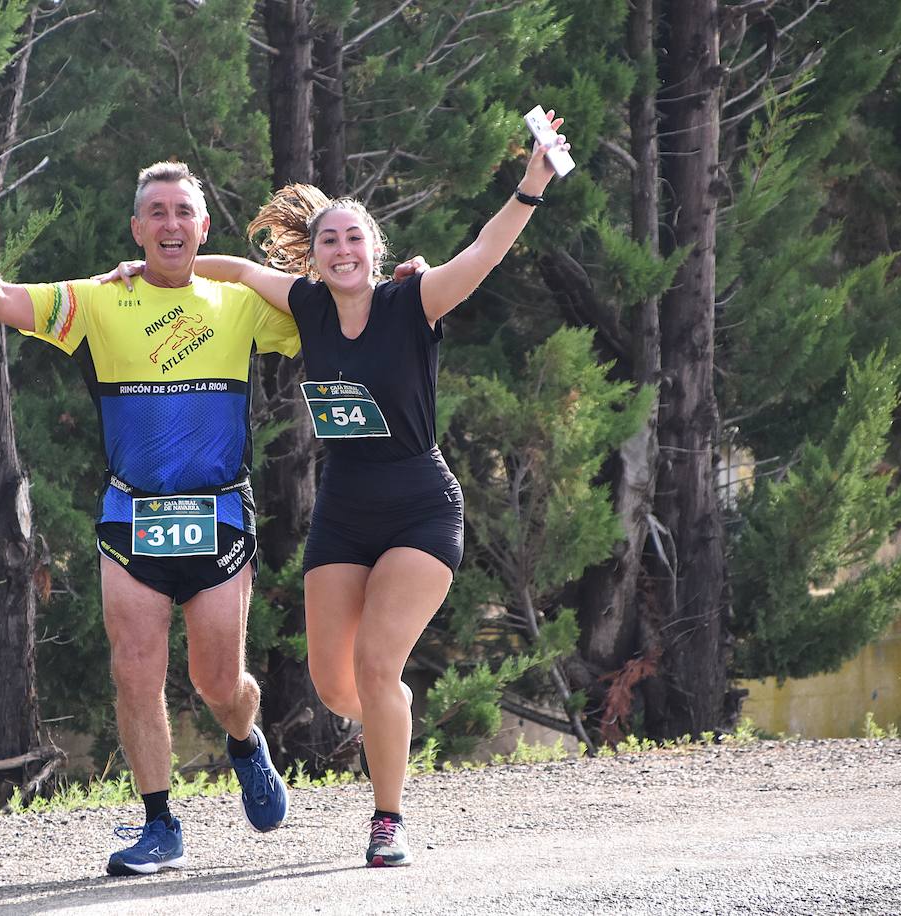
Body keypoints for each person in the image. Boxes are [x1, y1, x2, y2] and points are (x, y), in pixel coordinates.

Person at [102, 113, 571, 867]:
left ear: (374, 249)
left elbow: (486, 251)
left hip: (419, 506)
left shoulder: (414, 301)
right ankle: (390, 714)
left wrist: (531, 185)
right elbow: (231, 270)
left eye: (355, 237)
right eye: (329, 240)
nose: (343, 249)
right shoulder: (307, 307)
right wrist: (146, 270)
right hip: (344, 512)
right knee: (337, 686)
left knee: (378, 663)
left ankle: (387, 822)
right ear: (315, 257)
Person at [0, 161, 295, 877]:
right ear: (136, 228)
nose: (170, 223)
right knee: (134, 675)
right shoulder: (97, 300)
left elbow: (336, 312)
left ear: (203, 226)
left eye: (182, 212)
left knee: (221, 685)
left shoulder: (241, 301)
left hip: (218, 513)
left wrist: (400, 287)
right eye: (156, 212)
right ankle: (160, 825)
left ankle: (246, 742)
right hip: (131, 515)